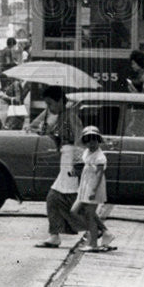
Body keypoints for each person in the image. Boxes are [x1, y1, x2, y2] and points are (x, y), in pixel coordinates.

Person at [33, 87, 107, 248]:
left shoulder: (70, 116)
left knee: (67, 199)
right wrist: (49, 133)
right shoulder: (61, 116)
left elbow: (80, 140)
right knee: (60, 199)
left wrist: (78, 164)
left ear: (60, 101)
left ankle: (100, 230)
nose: (49, 108)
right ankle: (56, 235)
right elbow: (61, 139)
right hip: (67, 159)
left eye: (50, 103)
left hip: (72, 161)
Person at [71, 126, 115, 252]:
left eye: (94, 140)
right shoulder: (87, 152)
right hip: (86, 185)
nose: (91, 144)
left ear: (98, 141)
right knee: (75, 210)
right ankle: (104, 231)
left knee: (90, 215)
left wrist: (94, 191)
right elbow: (86, 169)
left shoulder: (100, 157)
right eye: (88, 141)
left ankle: (94, 242)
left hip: (94, 186)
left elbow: (99, 175)